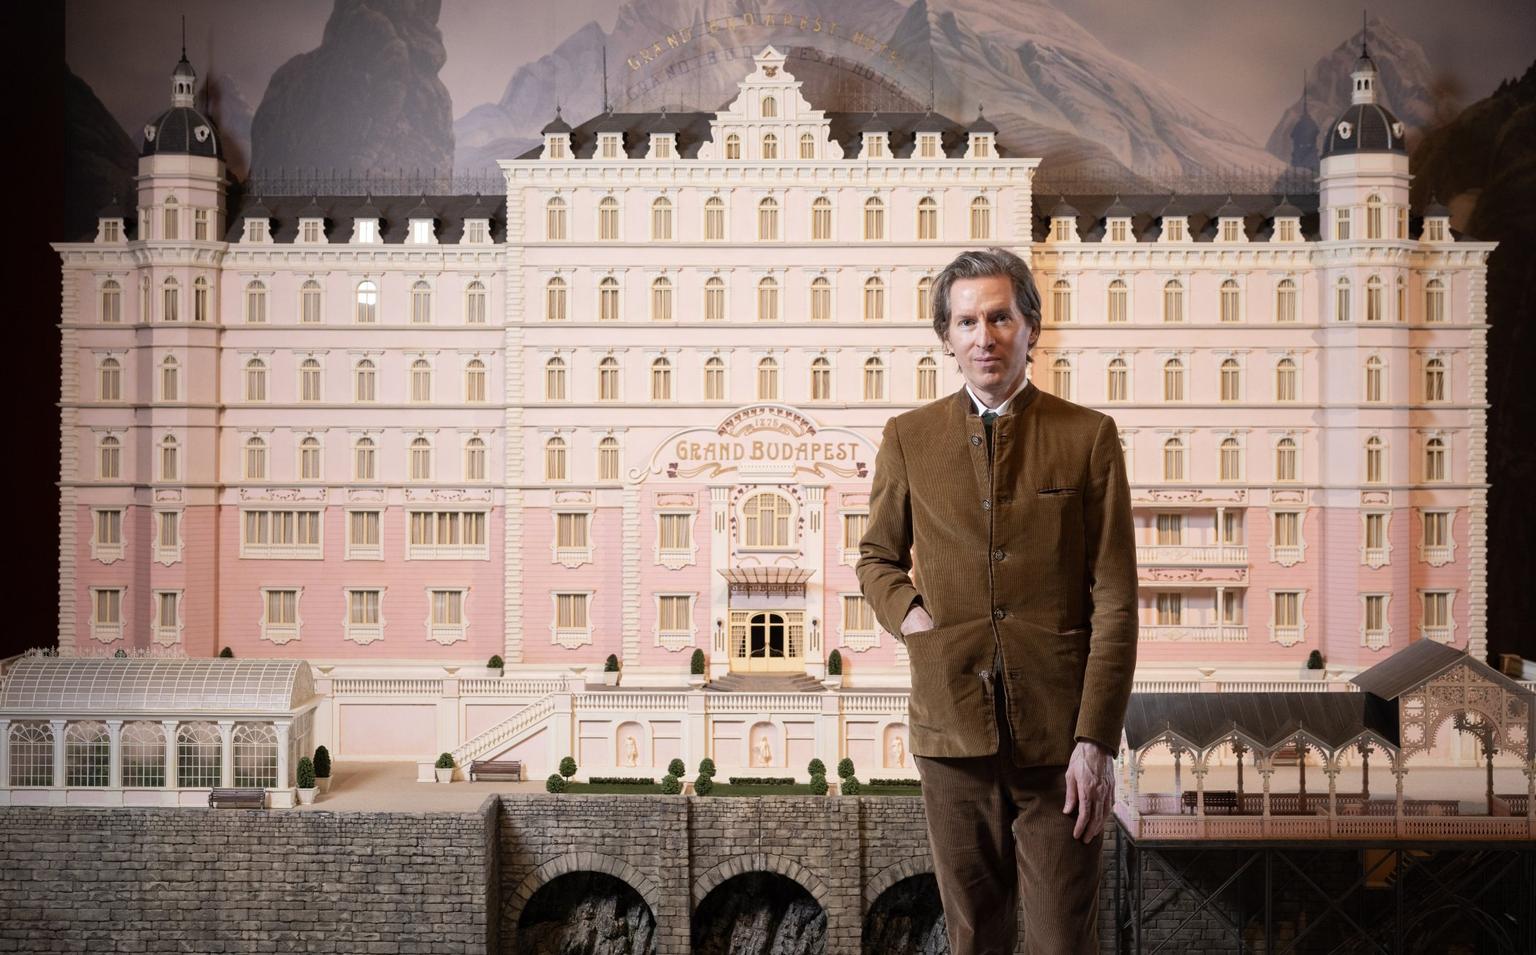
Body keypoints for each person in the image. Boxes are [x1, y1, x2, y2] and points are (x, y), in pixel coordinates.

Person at [856, 247, 1138, 955]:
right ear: (946, 338)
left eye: (1000, 317)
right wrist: (920, 624)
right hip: (951, 732)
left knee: (1062, 941)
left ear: (1031, 327)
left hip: (1062, 743)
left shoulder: (1089, 437)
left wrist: (1097, 740)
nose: (985, 335)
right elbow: (876, 559)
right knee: (974, 935)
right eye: (967, 321)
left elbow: (1116, 598)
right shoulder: (908, 439)